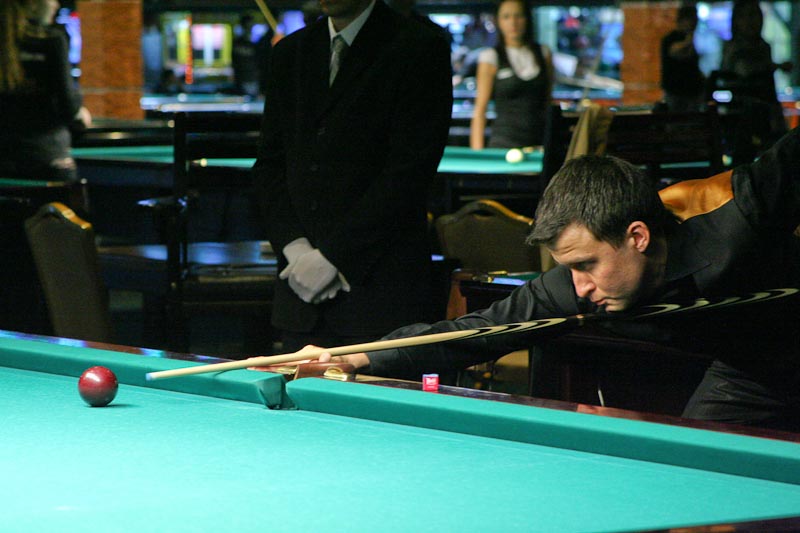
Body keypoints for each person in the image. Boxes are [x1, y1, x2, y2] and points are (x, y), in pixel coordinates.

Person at [316, 126, 800, 431]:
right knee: (693, 473)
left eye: (587, 264)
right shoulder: (575, 288)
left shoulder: (739, 209)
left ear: (637, 236)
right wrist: (356, 356)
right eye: (571, 268)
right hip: (752, 371)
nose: (580, 286)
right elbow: (474, 333)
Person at [253, 0, 453, 352]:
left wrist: (334, 257)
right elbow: (269, 165)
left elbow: (409, 173)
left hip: (382, 294)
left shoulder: (420, 47)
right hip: (299, 294)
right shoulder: (290, 51)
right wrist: (296, 250)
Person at [0, 0, 91, 182]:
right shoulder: (52, 41)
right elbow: (68, 106)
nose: (56, 5)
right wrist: (79, 111)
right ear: (32, 4)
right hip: (47, 158)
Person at [470, 0, 553, 149]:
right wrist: (477, 153)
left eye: (518, 16)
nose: (513, 22)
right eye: (506, 17)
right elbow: (480, 110)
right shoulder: (490, 57)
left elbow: (547, 102)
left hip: (539, 144)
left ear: (527, 19)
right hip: (503, 144)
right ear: (498, 21)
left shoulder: (544, 53)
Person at [720, 0, 791, 152]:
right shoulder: (733, 47)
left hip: (765, 112)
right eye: (745, 16)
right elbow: (744, 72)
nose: (751, 21)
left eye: (755, 15)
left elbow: (768, 87)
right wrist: (774, 66)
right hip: (741, 114)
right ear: (736, 20)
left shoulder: (763, 46)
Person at [660, 4, 705, 113]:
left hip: (692, 92)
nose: (695, 24)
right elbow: (675, 52)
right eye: (692, 20)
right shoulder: (671, 38)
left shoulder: (690, 41)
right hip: (676, 91)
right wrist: (689, 40)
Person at [231, 14, 261, 97]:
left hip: (253, 80)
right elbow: (235, 62)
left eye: (251, 25)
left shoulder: (258, 43)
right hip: (242, 80)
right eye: (247, 25)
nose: (249, 28)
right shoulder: (238, 43)